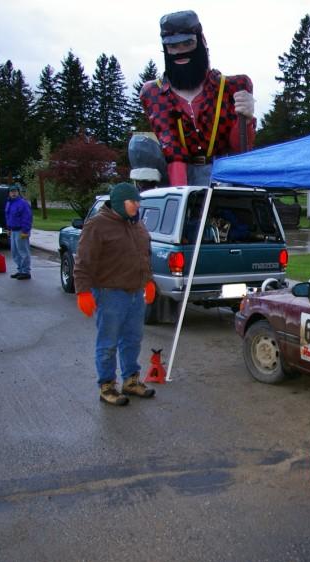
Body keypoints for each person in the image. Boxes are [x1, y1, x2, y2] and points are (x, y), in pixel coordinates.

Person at [140, 10, 256, 186]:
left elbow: (240, 150)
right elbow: (171, 146)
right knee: (138, 146)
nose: (180, 52)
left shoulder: (232, 87)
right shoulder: (154, 92)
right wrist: (180, 196)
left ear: (201, 42)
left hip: (222, 172)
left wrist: (246, 120)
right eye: (173, 46)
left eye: (187, 43)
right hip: (177, 174)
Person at [73, 183, 157, 406]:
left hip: (135, 292)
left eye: (138, 201)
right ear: (120, 202)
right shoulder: (97, 225)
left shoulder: (137, 224)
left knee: (133, 339)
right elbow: (83, 261)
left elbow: (145, 256)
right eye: (133, 201)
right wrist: (82, 291)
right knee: (108, 342)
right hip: (110, 293)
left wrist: (149, 281)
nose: (137, 205)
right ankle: (107, 386)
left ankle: (130, 380)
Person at [5, 185, 32, 280]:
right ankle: (20, 270)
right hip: (13, 230)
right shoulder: (9, 203)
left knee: (23, 251)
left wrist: (25, 231)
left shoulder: (23, 203)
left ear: (18, 192)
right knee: (15, 252)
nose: (13, 193)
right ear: (9, 193)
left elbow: (27, 218)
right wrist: (8, 229)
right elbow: (8, 217)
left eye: (15, 191)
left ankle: (25, 272)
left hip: (21, 230)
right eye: (11, 191)